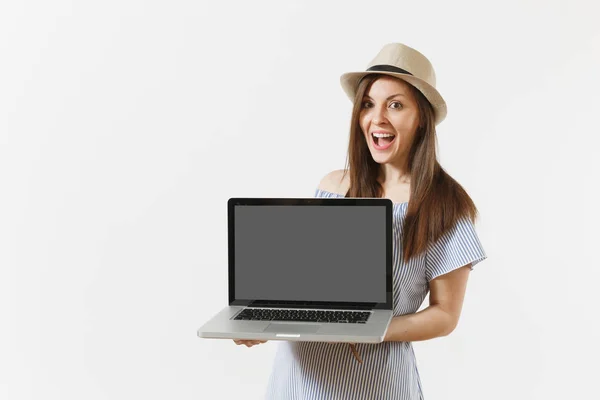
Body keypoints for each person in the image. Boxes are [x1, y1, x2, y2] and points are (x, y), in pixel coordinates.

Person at [234, 42, 487, 399]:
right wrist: (266, 321)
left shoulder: (443, 206)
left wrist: (367, 329)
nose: (377, 118)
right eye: (368, 104)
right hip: (296, 382)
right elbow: (306, 283)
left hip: (373, 385)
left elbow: (445, 315)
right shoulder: (333, 186)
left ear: (421, 117)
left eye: (395, 105)